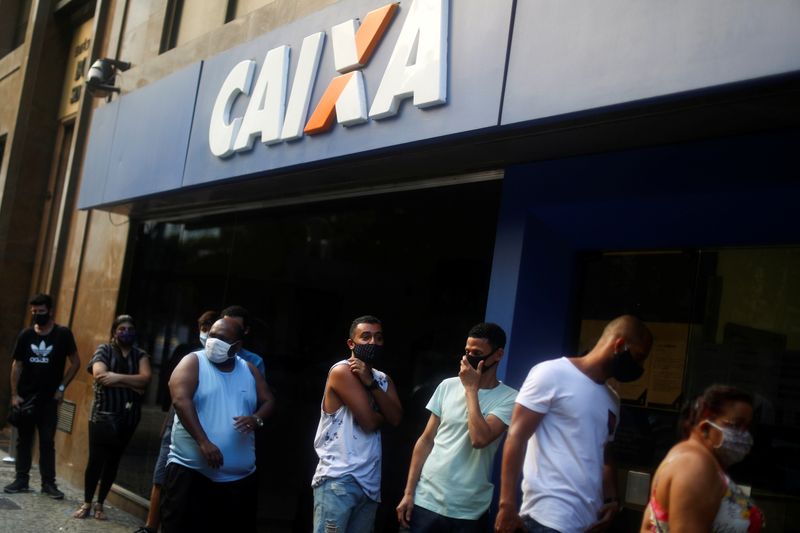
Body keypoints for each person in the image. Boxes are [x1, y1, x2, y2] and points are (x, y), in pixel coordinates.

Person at [495, 315, 653, 533]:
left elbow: (605, 454)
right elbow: (516, 436)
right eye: (638, 357)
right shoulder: (551, 373)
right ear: (619, 345)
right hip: (546, 520)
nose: (639, 367)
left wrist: (612, 501)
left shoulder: (612, 399)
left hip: (588, 524)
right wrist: (507, 505)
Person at [397, 322, 518, 532]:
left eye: (477, 353)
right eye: (467, 351)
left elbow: (479, 438)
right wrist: (409, 492)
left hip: (467, 510)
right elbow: (426, 440)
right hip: (426, 500)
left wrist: (471, 388)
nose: (470, 357)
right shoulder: (447, 386)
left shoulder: (509, 398)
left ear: (498, 355)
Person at [160, 317, 275, 532]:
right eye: (212, 335)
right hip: (191, 474)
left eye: (222, 338)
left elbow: (268, 400)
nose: (213, 341)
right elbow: (180, 400)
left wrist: (256, 418)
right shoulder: (193, 361)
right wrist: (203, 442)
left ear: (238, 346)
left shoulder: (249, 369)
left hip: (239, 481)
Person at [312, 315, 403, 533]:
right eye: (366, 337)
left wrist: (371, 384)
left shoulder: (382, 379)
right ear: (351, 344)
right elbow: (370, 423)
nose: (373, 342)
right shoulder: (342, 371)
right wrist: (382, 412)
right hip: (339, 479)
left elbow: (397, 419)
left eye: (378, 338)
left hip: (370, 483)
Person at [135, 310, 217, 533]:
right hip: (175, 421)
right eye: (204, 327)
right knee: (161, 475)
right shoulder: (187, 353)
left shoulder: (222, 359)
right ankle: (151, 526)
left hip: (204, 429)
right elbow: (174, 389)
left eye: (211, 327)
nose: (207, 332)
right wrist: (166, 415)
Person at [640, 384, 764, 533]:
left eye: (747, 427)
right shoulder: (694, 465)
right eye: (736, 425)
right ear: (706, 422)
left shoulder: (699, 460)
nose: (744, 435)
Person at [73, 315, 152, 520]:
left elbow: (145, 379)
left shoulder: (140, 354)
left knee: (113, 461)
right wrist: (132, 384)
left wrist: (116, 377)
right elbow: (100, 375)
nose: (126, 332)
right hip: (102, 415)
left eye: (130, 328)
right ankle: (87, 502)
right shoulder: (104, 350)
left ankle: (100, 503)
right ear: (114, 332)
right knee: (96, 461)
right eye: (122, 328)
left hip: (129, 417)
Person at [4, 293, 80, 499]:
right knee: (24, 440)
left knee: (47, 441)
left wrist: (62, 388)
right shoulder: (26, 336)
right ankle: (21, 479)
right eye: (34, 312)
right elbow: (17, 365)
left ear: (50, 311)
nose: (37, 315)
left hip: (49, 399)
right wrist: (14, 394)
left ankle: (48, 483)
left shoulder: (62, 334)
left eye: (41, 312)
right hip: (26, 398)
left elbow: (75, 362)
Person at [222, 305, 266, 378]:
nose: (228, 331)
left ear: (246, 330)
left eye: (235, 327)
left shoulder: (255, 361)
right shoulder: (200, 357)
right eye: (225, 325)